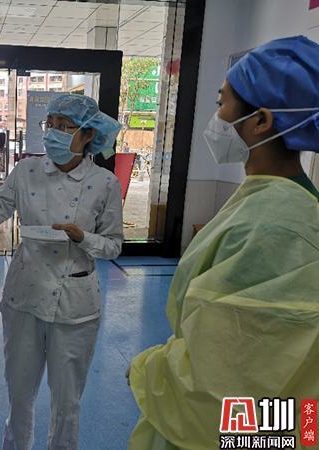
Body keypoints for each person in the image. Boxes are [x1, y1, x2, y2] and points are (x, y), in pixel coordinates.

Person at [126, 36, 319, 449]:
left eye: (222, 103)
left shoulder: (274, 225)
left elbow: (227, 374)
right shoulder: (276, 199)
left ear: (260, 121)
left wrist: (151, 370)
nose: (216, 118)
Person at [0, 94, 124, 450]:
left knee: (67, 403)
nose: (51, 133)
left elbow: (113, 245)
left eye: (63, 126)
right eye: (49, 124)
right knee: (19, 394)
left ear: (88, 134)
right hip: (24, 296)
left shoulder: (105, 183)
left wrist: (82, 237)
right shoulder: (27, 171)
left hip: (75, 307)